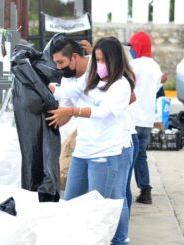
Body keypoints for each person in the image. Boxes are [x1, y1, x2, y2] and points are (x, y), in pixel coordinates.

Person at [48, 36, 135, 245]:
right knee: (70, 203)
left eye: (103, 60)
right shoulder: (90, 79)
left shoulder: (121, 85)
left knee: (101, 209)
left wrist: (72, 110)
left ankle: (119, 240)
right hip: (82, 153)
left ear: (114, 60)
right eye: (97, 60)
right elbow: (65, 93)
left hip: (105, 154)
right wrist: (44, 82)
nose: (100, 65)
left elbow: (103, 112)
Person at [128, 31, 162, 204]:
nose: (131, 50)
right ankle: (145, 190)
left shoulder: (134, 64)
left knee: (128, 157)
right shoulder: (155, 66)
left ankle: (134, 189)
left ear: (138, 46)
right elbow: (156, 89)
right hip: (147, 119)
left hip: (132, 118)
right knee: (141, 155)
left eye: (132, 46)